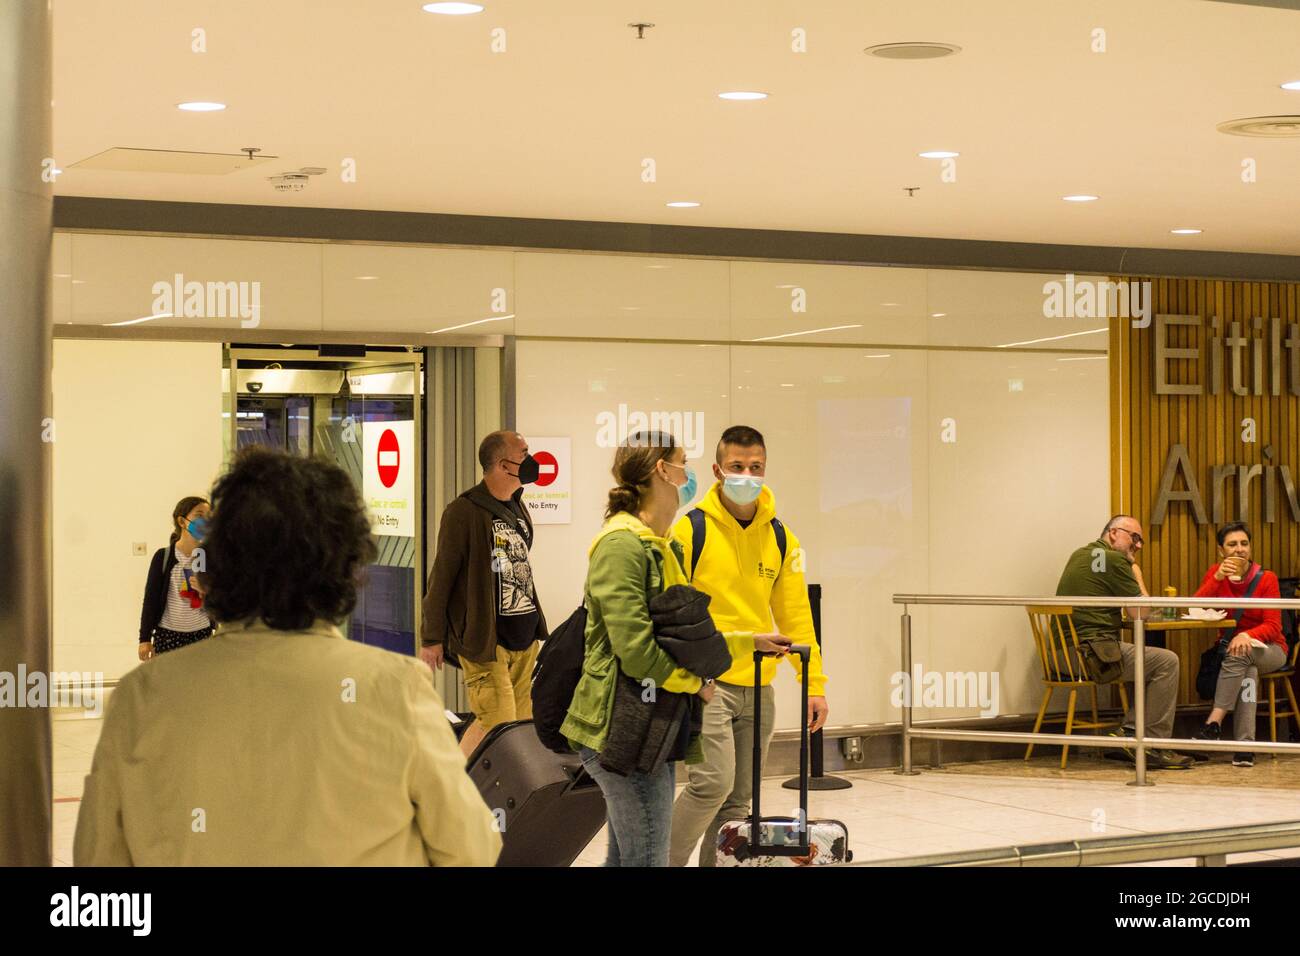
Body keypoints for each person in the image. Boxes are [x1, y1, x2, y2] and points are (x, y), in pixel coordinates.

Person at [75, 447, 501, 866]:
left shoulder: (139, 698)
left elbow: (98, 861)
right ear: (348, 569)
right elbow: (471, 849)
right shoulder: (396, 687)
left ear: (213, 568)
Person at [560, 431, 724, 867]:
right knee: (647, 856)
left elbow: (678, 628)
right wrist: (693, 681)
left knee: (629, 856)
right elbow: (634, 649)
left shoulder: (657, 544)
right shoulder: (621, 545)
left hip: (650, 724)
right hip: (622, 724)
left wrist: (743, 644)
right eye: (682, 463)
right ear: (661, 470)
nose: (687, 475)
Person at [668, 425, 829, 867]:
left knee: (739, 802)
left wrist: (813, 683)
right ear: (718, 470)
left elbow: (797, 616)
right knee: (710, 786)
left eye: (755, 467)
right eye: (737, 467)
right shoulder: (689, 531)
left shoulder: (779, 536)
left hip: (760, 687)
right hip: (708, 685)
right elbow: (675, 613)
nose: (747, 475)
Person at [421, 431, 548, 758]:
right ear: (504, 465)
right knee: (496, 721)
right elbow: (442, 577)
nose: (530, 458)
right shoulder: (464, 512)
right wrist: (431, 636)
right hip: (485, 640)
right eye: (524, 452)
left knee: (520, 724)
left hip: (524, 637)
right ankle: (454, 787)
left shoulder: (517, 506)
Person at [1055, 515, 1192, 770]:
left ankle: (1130, 734)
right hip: (1088, 656)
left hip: (1060, 655)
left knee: (1146, 660)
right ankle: (1149, 745)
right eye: (1135, 538)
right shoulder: (1115, 559)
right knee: (1166, 661)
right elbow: (1141, 613)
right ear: (1114, 533)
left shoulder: (1080, 554)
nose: (1138, 546)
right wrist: (1136, 572)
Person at [1192, 522, 1286, 767]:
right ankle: (1245, 747)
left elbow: (1274, 626)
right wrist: (1217, 577)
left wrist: (1247, 635)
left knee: (1240, 654)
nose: (1239, 549)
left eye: (1244, 543)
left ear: (1250, 548)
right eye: (1232, 544)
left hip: (1271, 648)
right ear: (1221, 550)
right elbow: (1195, 607)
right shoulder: (1216, 574)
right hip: (1238, 652)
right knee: (1247, 670)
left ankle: (1213, 722)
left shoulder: (1267, 578)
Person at [138, 496, 213, 659]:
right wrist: (144, 639)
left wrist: (206, 590)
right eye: (200, 515)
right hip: (168, 636)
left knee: (198, 683)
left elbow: (224, 598)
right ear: (182, 521)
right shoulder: (163, 557)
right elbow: (150, 599)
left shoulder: (210, 557)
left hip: (202, 635)